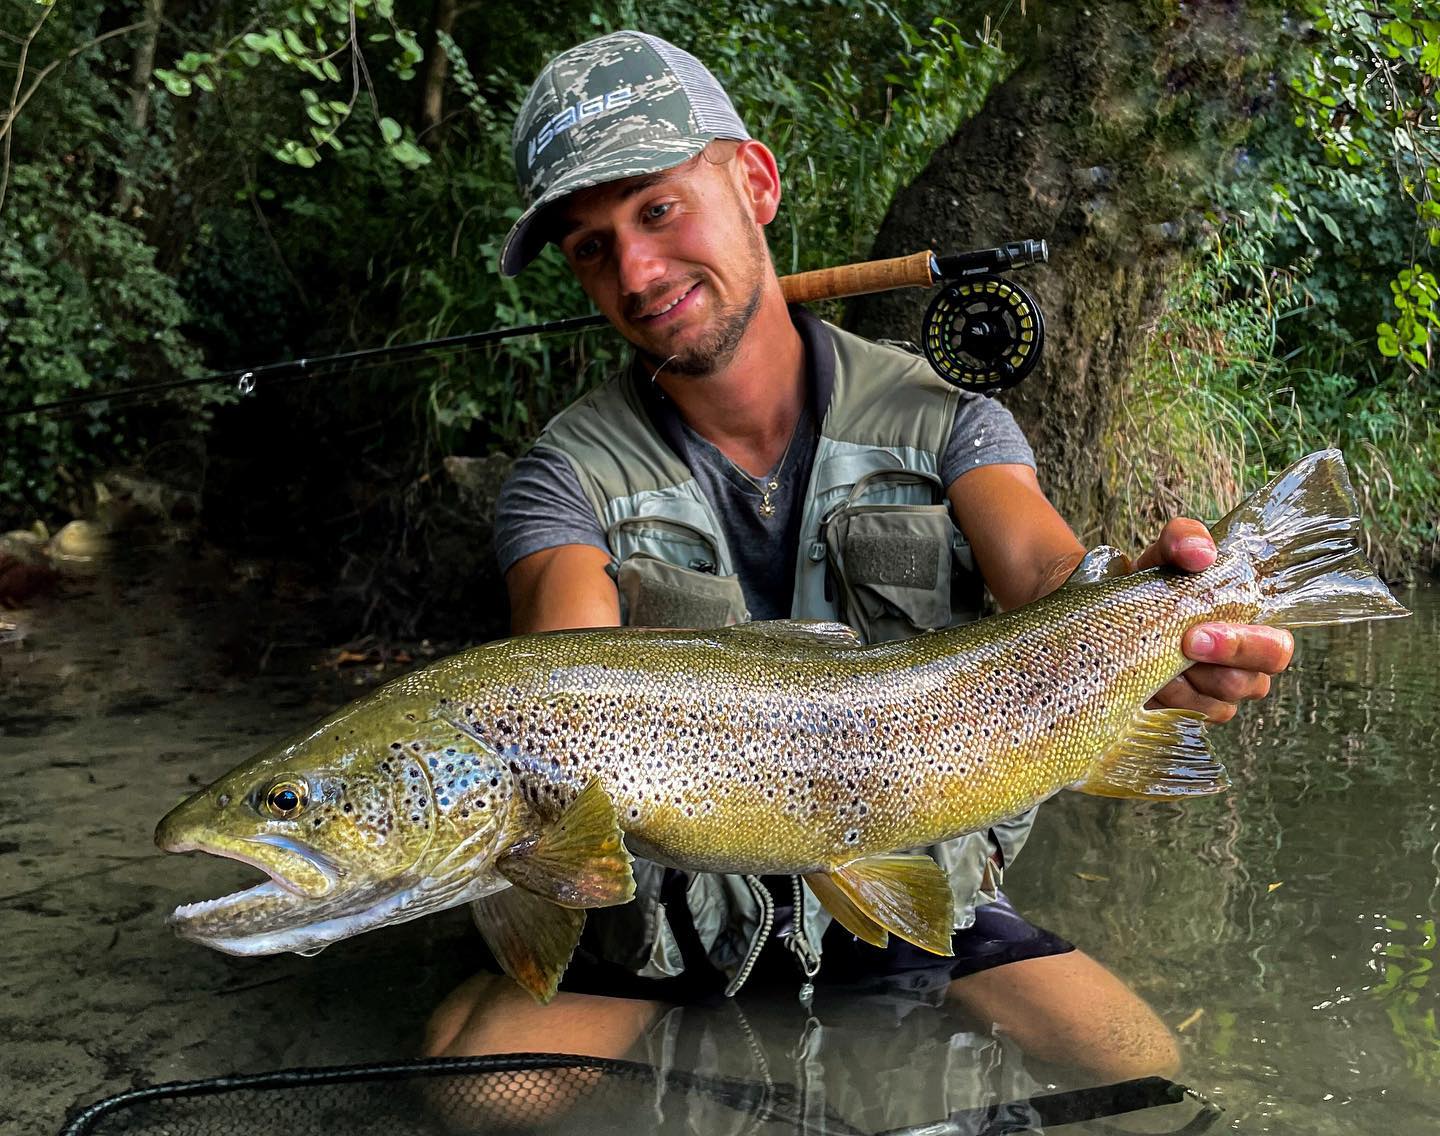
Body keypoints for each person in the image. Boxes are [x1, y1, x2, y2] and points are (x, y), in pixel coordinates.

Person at [423, 30, 1295, 1083]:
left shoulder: (946, 418)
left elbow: (1045, 577)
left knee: (1139, 1071)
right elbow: (556, 673)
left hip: (915, 870)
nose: (637, 273)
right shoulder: (563, 475)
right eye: (590, 248)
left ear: (754, 182)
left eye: (658, 210)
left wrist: (1165, 631)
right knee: (484, 1092)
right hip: (680, 921)